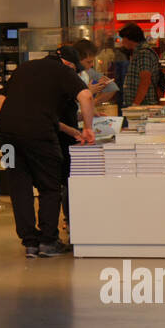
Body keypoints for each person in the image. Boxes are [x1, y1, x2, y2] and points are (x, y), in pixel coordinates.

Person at [0, 44, 92, 258]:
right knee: (50, 185)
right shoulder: (64, 71)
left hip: (6, 137)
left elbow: (1, 98)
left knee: (19, 187)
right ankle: (48, 241)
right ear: (68, 63)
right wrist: (88, 128)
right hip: (38, 136)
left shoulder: (25, 68)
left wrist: (14, 124)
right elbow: (86, 97)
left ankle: (29, 242)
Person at [56, 42, 101, 236]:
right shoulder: (67, 79)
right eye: (87, 61)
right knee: (64, 181)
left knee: (66, 181)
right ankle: (68, 221)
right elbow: (82, 100)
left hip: (67, 133)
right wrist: (84, 129)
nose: (89, 66)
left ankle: (70, 221)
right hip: (63, 136)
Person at [119, 22, 163, 108]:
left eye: (123, 38)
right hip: (142, 105)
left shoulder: (143, 53)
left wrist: (135, 104)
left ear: (130, 38)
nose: (122, 42)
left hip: (144, 106)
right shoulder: (139, 53)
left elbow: (145, 80)